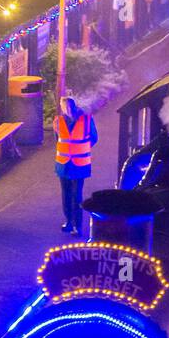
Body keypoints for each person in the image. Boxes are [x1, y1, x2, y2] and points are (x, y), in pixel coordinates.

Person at [54, 95, 98, 234]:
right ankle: (71, 223)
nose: (66, 109)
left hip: (72, 164)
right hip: (68, 164)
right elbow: (93, 138)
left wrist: (78, 149)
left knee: (74, 195)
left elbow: (93, 138)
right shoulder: (60, 121)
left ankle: (75, 224)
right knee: (69, 195)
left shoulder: (84, 119)